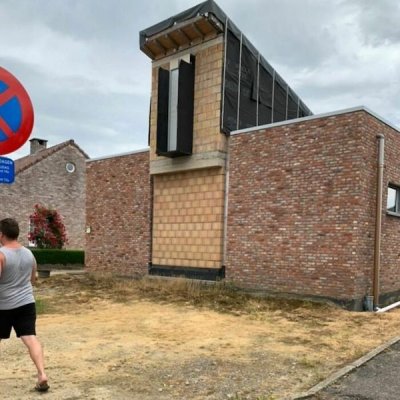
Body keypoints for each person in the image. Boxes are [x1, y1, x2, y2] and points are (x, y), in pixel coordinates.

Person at [0, 218, 49, 392]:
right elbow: (33, 279)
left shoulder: (1, 254)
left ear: (2, 234)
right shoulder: (29, 254)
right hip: (26, 303)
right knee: (30, 338)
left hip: (3, 306)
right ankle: (42, 374)